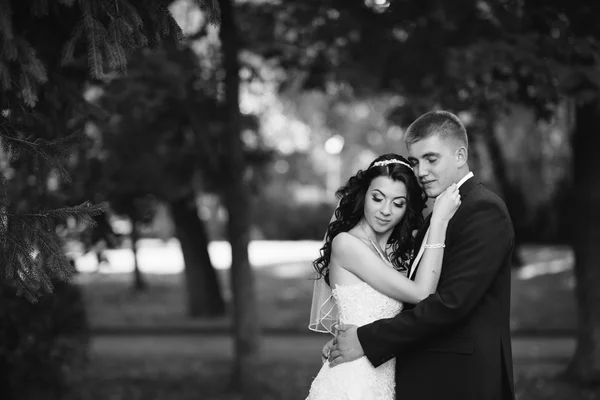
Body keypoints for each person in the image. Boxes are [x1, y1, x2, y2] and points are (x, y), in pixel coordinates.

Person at [326, 111, 516, 400]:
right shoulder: (438, 214)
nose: (421, 171)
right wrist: (346, 337)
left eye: (431, 159)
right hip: (424, 377)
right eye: (415, 162)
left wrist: (365, 339)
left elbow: (450, 304)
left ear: (460, 155)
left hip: (463, 380)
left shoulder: (482, 210)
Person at [306, 153, 461, 400]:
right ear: (363, 194)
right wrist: (439, 222)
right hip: (351, 384)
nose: (385, 211)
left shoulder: (395, 253)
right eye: (377, 198)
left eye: (398, 203)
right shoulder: (347, 244)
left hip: (383, 381)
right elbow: (422, 293)